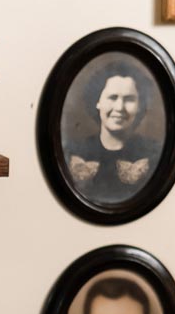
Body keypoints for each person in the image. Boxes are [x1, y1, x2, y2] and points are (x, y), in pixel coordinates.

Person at [63, 64, 160, 207]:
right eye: (112, 97)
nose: (119, 107)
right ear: (98, 101)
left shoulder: (154, 154)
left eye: (129, 99)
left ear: (140, 105)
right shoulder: (72, 151)